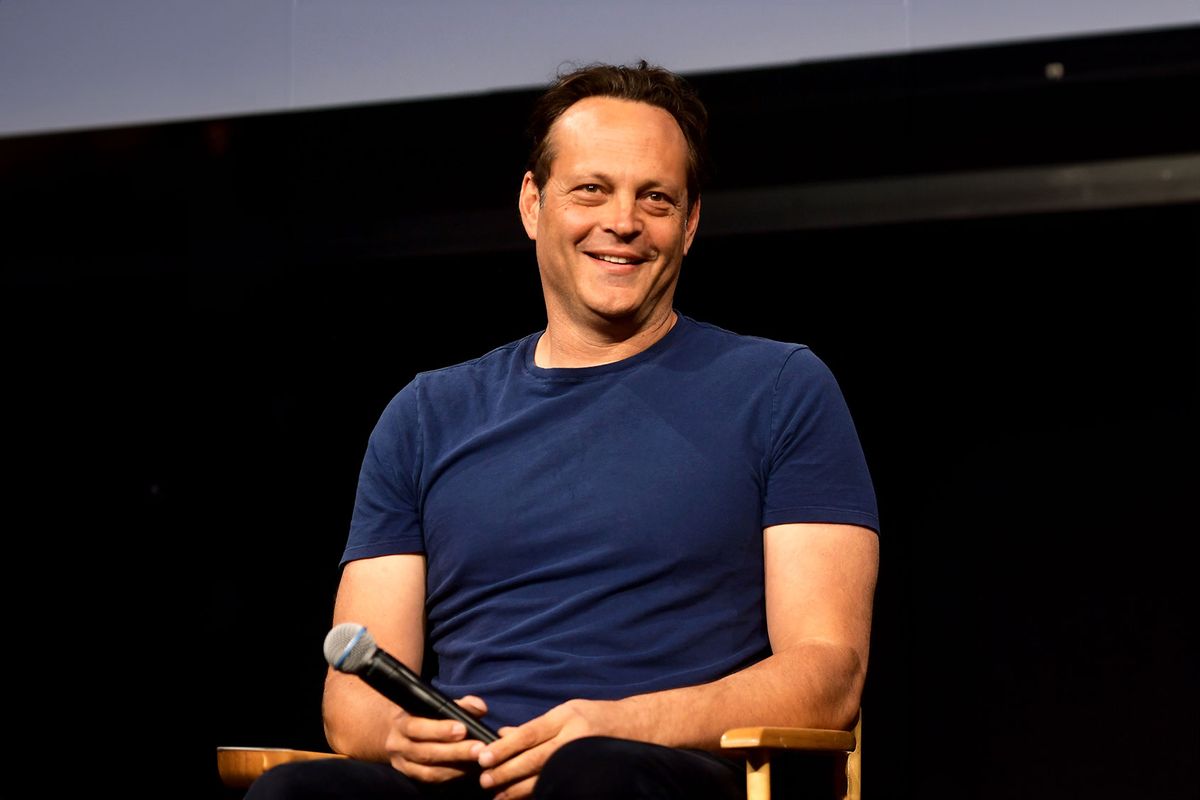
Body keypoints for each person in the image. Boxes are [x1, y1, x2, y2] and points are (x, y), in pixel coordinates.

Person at [246, 60, 879, 800]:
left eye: (655, 198)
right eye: (592, 189)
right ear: (533, 203)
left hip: (653, 773)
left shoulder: (780, 391)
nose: (622, 222)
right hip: (468, 778)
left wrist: (623, 724)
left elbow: (829, 673)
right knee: (295, 794)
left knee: (594, 775)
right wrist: (395, 734)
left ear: (692, 221)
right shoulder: (425, 416)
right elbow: (352, 689)